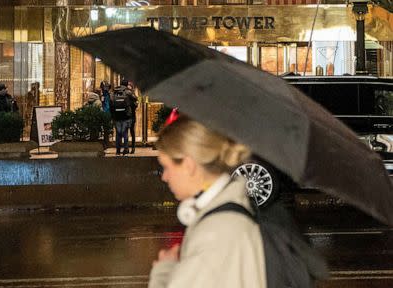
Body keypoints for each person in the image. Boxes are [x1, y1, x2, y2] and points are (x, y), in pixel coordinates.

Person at [149, 115, 327, 288]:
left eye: (166, 166)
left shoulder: (216, 232)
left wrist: (164, 270)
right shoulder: (230, 213)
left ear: (189, 166)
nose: (164, 177)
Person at [110, 80, 132, 155]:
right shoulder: (128, 92)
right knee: (125, 133)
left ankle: (118, 150)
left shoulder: (114, 91)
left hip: (117, 116)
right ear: (126, 85)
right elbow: (135, 99)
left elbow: (111, 101)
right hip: (125, 115)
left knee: (118, 133)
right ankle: (125, 149)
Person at [126, 82, 139, 154]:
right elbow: (136, 105)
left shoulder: (124, 95)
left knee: (127, 132)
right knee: (132, 132)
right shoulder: (133, 96)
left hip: (126, 116)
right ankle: (133, 147)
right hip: (132, 116)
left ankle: (127, 147)